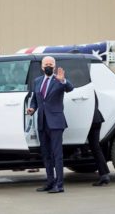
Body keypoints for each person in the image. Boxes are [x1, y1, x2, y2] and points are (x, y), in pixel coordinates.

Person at [27, 56, 74, 193]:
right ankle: (50, 182)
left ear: (54, 66)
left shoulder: (59, 80)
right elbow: (36, 100)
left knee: (57, 154)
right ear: (42, 67)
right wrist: (32, 108)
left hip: (56, 123)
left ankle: (59, 185)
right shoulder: (37, 81)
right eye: (46, 64)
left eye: (51, 64)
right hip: (42, 122)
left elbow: (70, 88)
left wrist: (63, 80)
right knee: (46, 154)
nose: (48, 66)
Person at [87, 93, 110, 186]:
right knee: (96, 147)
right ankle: (104, 174)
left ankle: (104, 175)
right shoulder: (90, 90)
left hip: (91, 120)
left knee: (95, 147)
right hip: (97, 118)